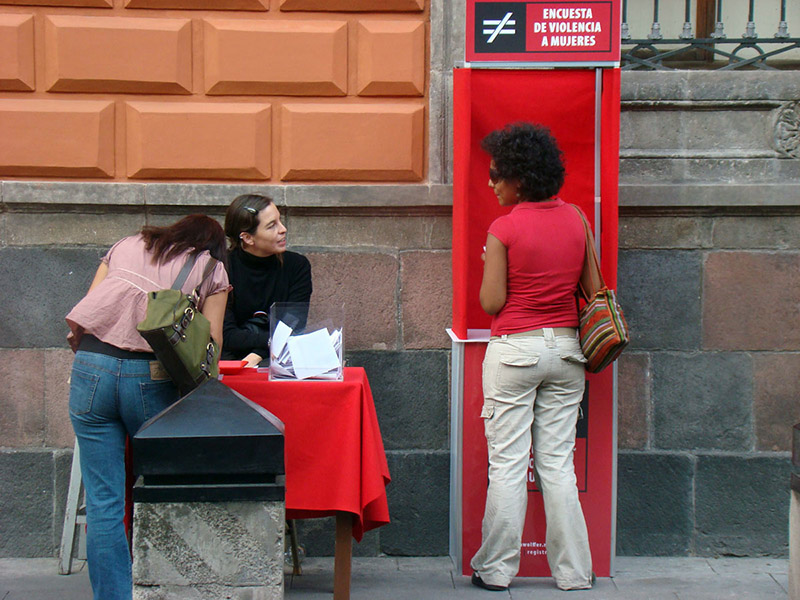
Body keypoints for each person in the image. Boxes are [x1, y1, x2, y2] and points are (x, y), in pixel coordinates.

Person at [65, 215, 230, 600]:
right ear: (214, 245)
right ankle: (163, 588)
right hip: (150, 376)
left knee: (104, 501)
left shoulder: (124, 246)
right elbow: (212, 347)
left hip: (91, 367)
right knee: (159, 490)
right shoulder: (212, 269)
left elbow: (91, 310)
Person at [470, 122, 594, 592]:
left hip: (516, 351)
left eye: (497, 173)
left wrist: (491, 262)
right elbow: (587, 286)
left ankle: (497, 570)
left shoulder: (505, 228)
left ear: (519, 178)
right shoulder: (578, 219)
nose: (491, 182)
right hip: (567, 350)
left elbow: (491, 302)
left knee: (507, 464)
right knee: (559, 464)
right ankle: (575, 573)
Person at [222, 193, 312, 367]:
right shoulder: (222, 268)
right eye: (272, 226)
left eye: (280, 220)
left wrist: (257, 354)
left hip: (281, 364)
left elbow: (293, 328)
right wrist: (272, 340)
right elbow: (226, 335)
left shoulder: (297, 266)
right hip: (228, 367)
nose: (283, 229)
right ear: (247, 238)